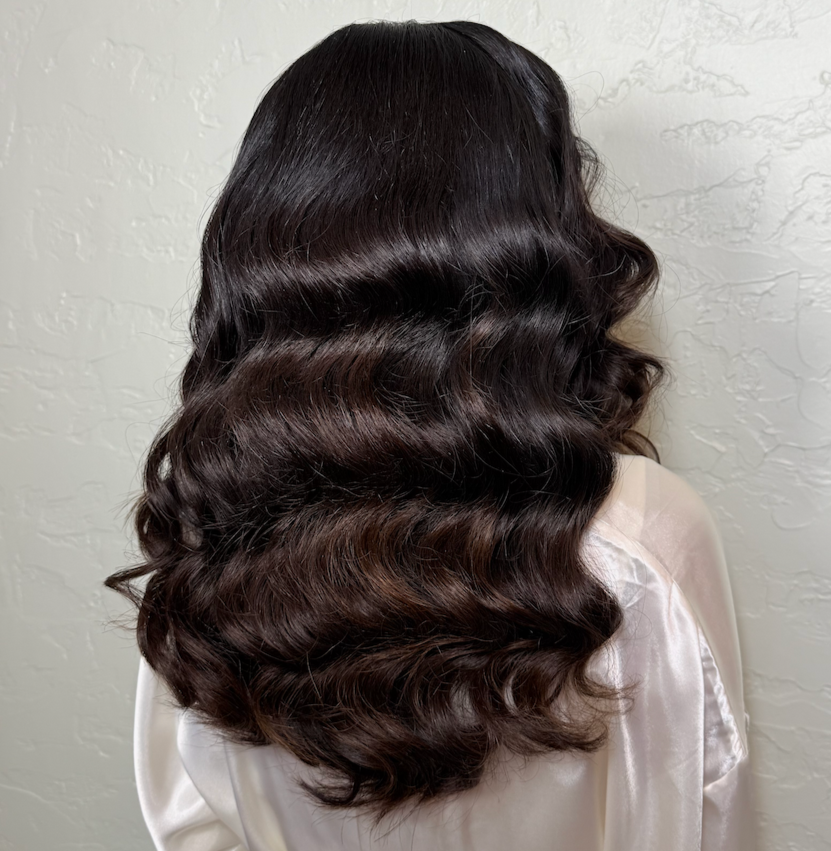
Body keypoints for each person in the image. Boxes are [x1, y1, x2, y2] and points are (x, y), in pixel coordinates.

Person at [106, 19, 756, 851]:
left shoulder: (211, 540)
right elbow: (699, 819)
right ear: (531, 240)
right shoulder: (637, 534)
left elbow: (191, 827)